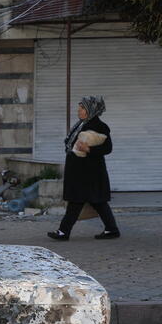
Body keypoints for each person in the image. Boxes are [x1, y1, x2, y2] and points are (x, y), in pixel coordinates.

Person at [48, 96, 120, 241]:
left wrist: (89, 149)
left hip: (90, 172)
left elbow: (108, 148)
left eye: (82, 108)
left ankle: (63, 232)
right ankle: (112, 229)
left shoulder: (100, 126)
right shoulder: (81, 124)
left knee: (79, 200)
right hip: (79, 170)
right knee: (95, 201)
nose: (78, 110)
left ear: (90, 110)